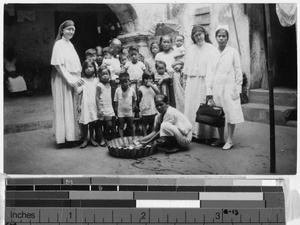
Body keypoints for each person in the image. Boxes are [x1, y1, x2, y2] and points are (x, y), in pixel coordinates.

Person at [206, 25, 244, 150]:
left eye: (224, 36)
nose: (221, 38)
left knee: (231, 113)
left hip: (230, 87)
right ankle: (221, 138)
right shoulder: (212, 53)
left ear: (227, 38)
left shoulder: (232, 51)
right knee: (219, 113)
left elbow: (238, 70)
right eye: (219, 36)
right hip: (217, 87)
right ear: (216, 37)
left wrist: (238, 88)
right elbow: (209, 72)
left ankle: (230, 140)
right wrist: (209, 90)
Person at [50, 20, 84, 148]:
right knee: (63, 107)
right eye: (68, 29)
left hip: (71, 80)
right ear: (62, 31)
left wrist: (77, 79)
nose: (71, 31)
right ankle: (62, 139)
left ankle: (72, 137)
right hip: (62, 80)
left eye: (73, 30)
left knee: (71, 108)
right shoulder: (59, 44)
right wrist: (71, 79)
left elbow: (76, 66)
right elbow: (58, 65)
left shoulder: (70, 45)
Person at [183, 25, 219, 143]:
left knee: (204, 105)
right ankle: (192, 132)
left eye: (200, 34)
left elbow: (214, 68)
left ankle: (206, 134)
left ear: (204, 34)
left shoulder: (211, 48)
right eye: (195, 35)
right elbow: (187, 68)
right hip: (192, 82)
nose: (198, 37)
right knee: (191, 105)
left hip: (205, 81)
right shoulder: (190, 49)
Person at [96, 67, 116, 146]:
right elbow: (97, 98)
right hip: (102, 107)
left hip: (109, 107)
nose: (105, 76)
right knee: (100, 124)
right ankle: (101, 139)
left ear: (109, 75)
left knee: (109, 124)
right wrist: (99, 109)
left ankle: (105, 136)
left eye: (106, 74)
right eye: (102, 74)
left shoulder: (110, 84)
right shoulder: (99, 85)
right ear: (99, 76)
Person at [114, 72, 137, 137]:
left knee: (131, 126)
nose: (125, 84)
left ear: (129, 81)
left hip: (129, 111)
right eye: (122, 82)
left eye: (126, 82)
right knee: (121, 126)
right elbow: (116, 101)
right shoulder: (118, 90)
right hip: (121, 112)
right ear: (120, 82)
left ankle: (133, 138)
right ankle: (121, 139)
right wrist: (116, 111)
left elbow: (135, 99)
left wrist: (133, 107)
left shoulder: (132, 90)